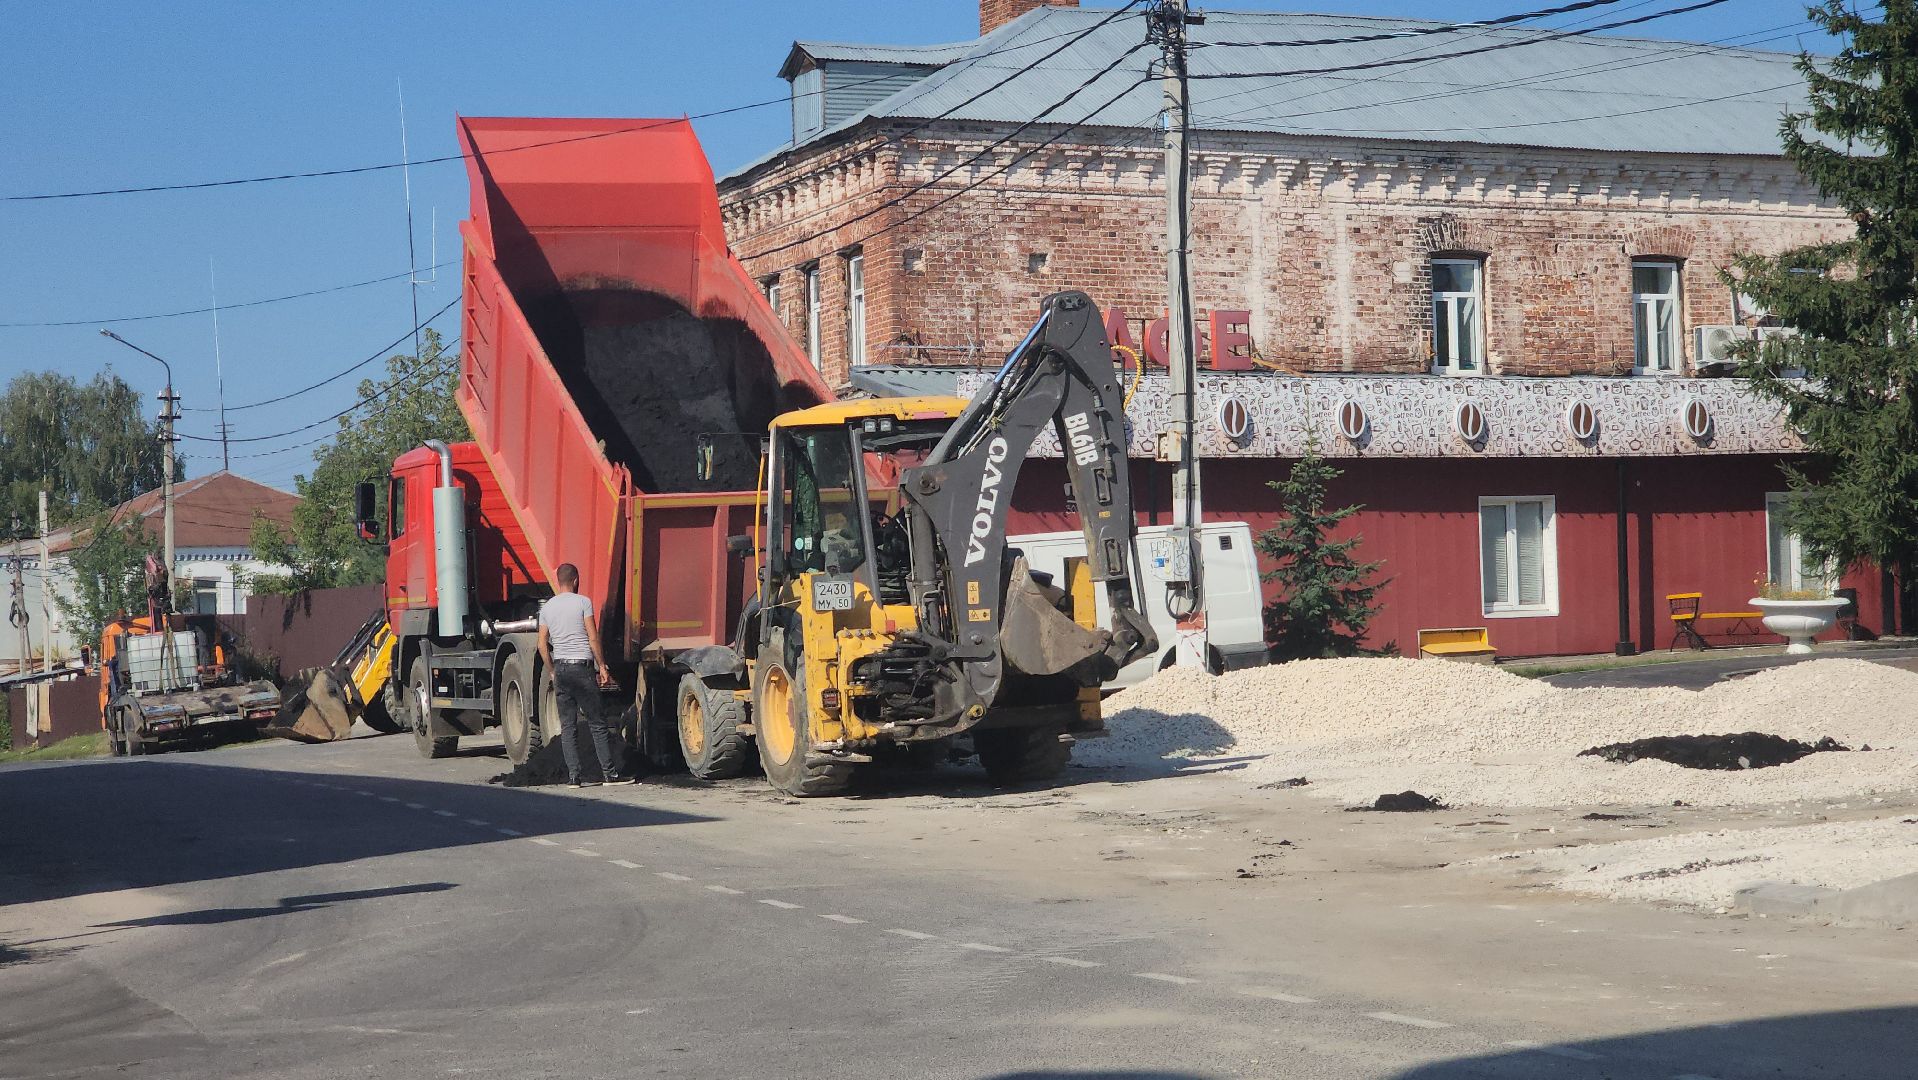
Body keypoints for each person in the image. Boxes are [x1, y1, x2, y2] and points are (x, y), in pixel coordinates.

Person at [537, 563, 632, 787]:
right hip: (582, 669)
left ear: (558, 581)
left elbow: (541, 644)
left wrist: (552, 670)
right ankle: (609, 775)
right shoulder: (583, 602)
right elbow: (592, 637)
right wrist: (602, 666)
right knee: (597, 723)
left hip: (561, 669)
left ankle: (574, 777)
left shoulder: (547, 608)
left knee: (568, 726)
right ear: (576, 580)